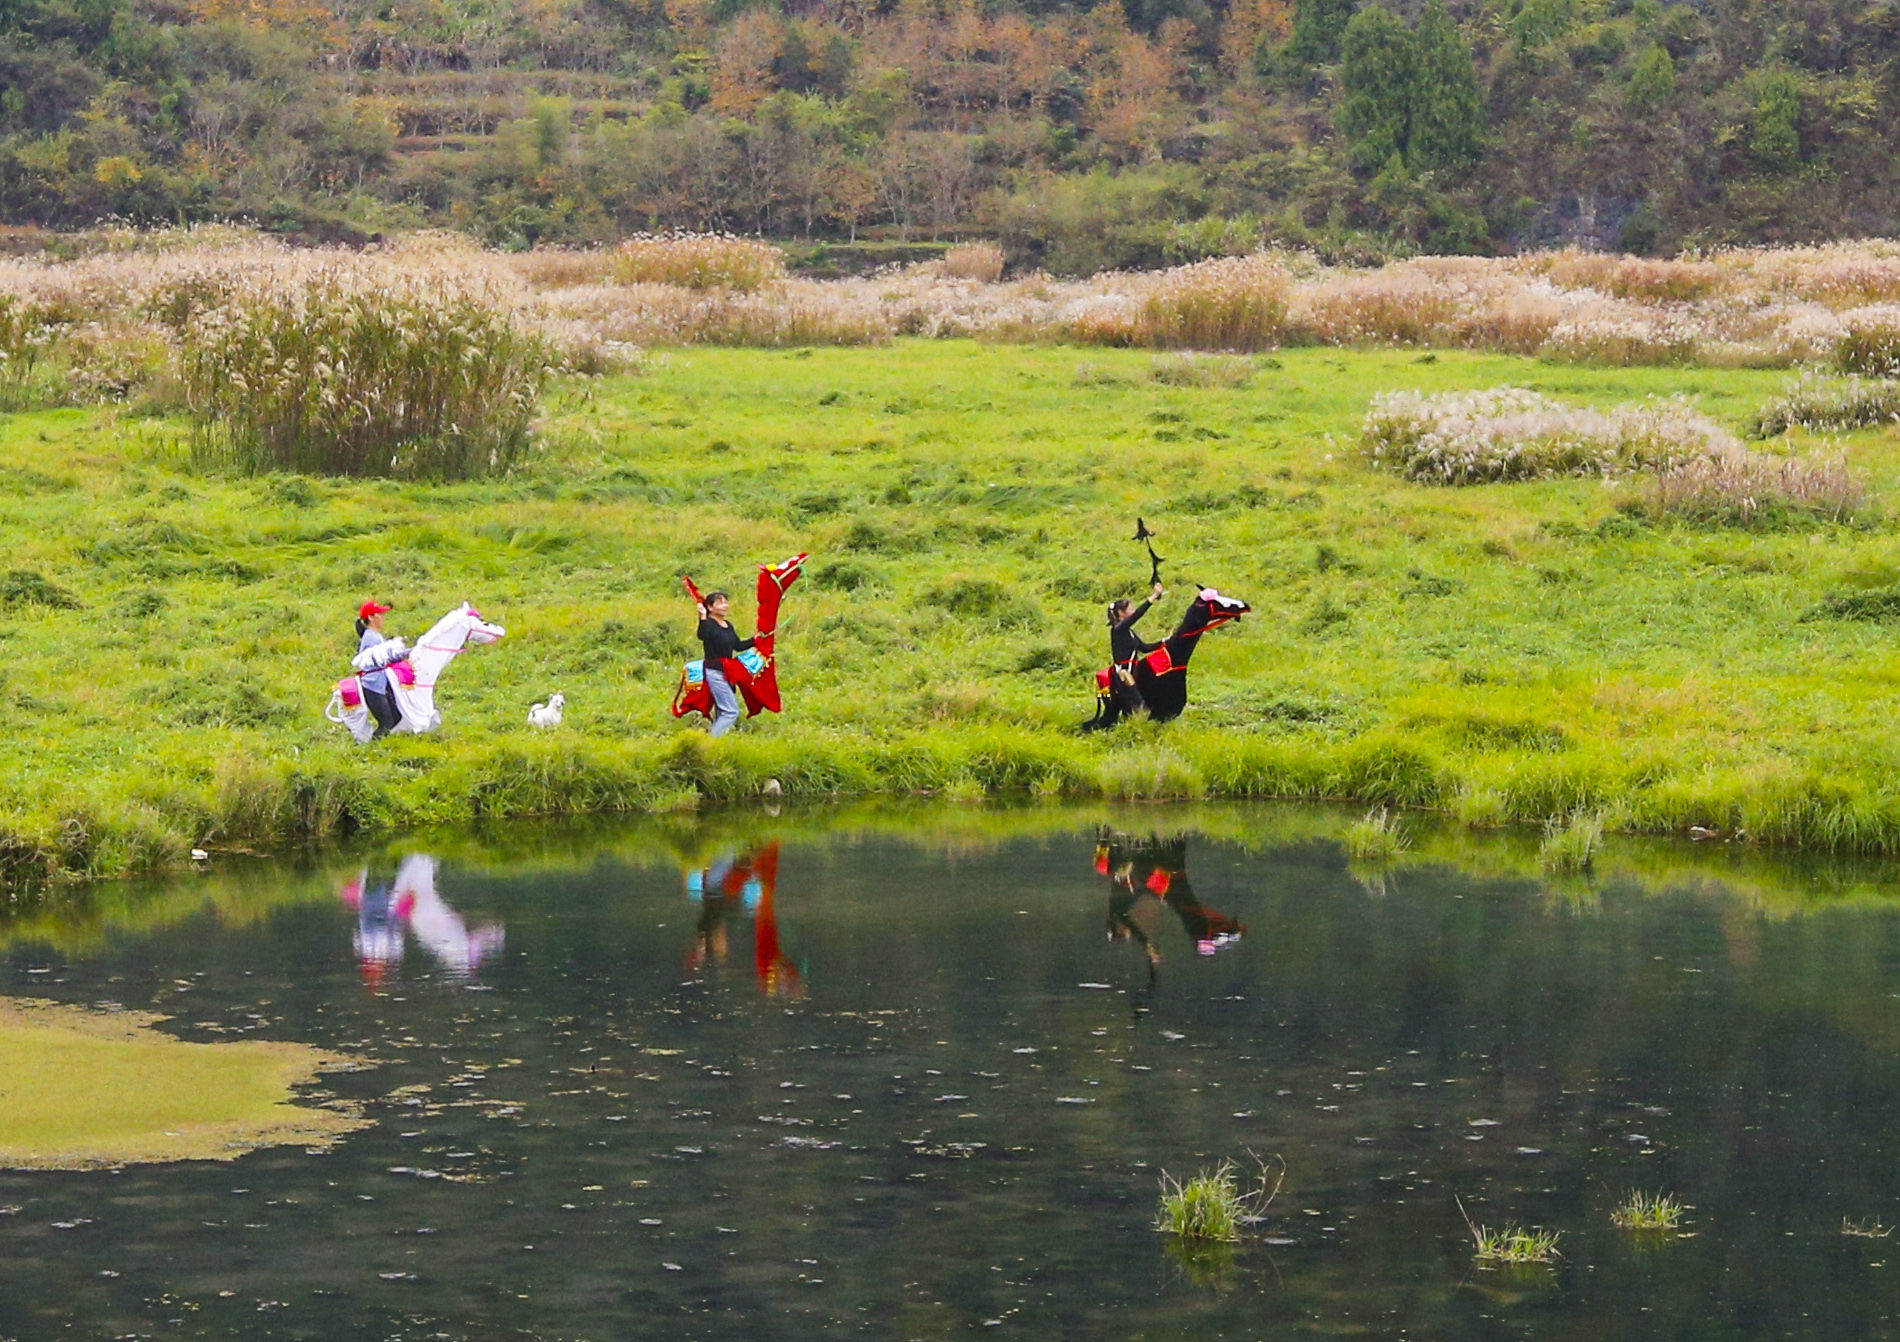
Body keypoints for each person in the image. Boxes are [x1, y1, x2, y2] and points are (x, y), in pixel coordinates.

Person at [695, 589, 757, 738]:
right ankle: (712, 743)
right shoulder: (708, 623)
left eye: (725, 602)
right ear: (710, 607)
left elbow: (737, 646)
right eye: (720, 602)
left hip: (727, 672)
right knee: (731, 711)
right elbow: (702, 635)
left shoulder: (727, 625)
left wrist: (757, 639)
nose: (725, 605)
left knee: (722, 712)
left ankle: (716, 744)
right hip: (714, 672)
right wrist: (702, 616)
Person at [1107, 581, 1166, 718]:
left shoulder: (1129, 632)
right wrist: (1153, 597)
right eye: (1130, 609)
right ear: (1121, 613)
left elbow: (1144, 648)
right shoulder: (1118, 630)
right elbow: (1137, 615)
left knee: (1133, 708)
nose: (1133, 611)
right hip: (1125, 675)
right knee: (1139, 707)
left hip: (1133, 674)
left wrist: (1165, 642)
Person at [356, 600, 401, 738]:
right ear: (371, 617)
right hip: (373, 686)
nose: (383, 618)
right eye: (379, 614)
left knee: (395, 719)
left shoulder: (377, 636)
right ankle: (372, 748)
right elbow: (382, 658)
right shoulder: (370, 638)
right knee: (387, 723)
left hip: (380, 684)